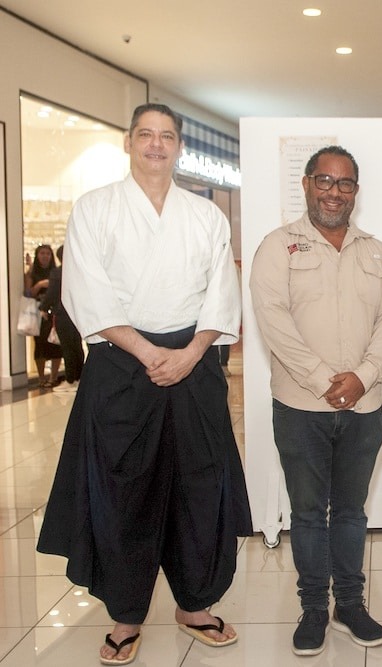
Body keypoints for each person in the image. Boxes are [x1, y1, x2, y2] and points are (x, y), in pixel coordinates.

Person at [36, 103, 248, 666]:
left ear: (180, 147)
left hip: (194, 360)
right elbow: (86, 290)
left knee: (199, 485)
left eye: (167, 136)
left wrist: (192, 352)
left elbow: (221, 293)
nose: (157, 144)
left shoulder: (205, 216)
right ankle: (127, 613)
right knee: (123, 489)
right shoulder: (95, 208)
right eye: (146, 134)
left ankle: (194, 604)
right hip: (121, 363)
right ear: (128, 142)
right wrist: (150, 353)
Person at [250, 145, 382, 656]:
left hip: (364, 407)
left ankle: (350, 605)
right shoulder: (278, 247)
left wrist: (363, 377)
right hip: (300, 408)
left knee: (353, 512)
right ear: (307, 184)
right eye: (325, 181)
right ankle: (314, 608)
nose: (334, 192)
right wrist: (323, 380)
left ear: (356, 191)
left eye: (345, 183)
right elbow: (273, 321)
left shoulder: (375, 252)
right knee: (309, 514)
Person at [40, 245, 85, 393]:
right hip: (78, 313)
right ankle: (79, 378)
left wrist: (43, 307)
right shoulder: (79, 271)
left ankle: (71, 379)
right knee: (76, 346)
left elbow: (52, 293)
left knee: (67, 347)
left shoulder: (58, 272)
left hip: (63, 314)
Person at [24, 244, 63, 387]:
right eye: (42, 253)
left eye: (48, 253)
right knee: (40, 345)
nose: (45, 256)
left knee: (56, 345)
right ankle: (41, 378)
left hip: (55, 312)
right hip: (39, 312)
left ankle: (53, 377)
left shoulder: (56, 272)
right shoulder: (32, 273)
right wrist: (40, 284)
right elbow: (29, 294)